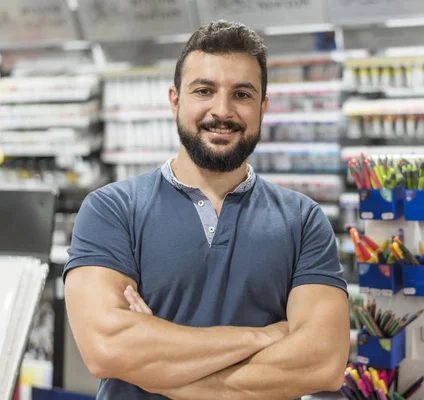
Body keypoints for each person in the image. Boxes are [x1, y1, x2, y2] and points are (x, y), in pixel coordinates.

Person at [64, 20, 350, 400]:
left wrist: (160, 370)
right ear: (175, 100)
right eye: (204, 90)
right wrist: (264, 337)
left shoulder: (303, 221)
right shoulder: (112, 210)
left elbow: (322, 363)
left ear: (263, 107)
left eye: (242, 95)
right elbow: (108, 349)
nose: (222, 110)